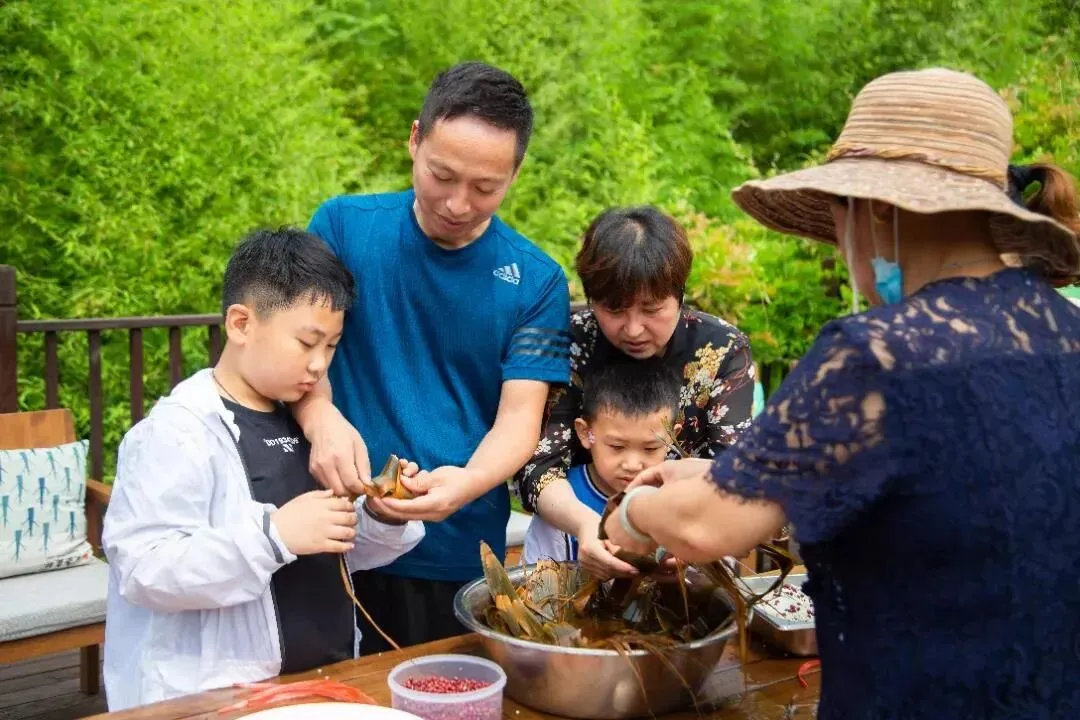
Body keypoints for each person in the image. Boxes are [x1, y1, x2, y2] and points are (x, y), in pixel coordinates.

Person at [601, 68, 1080, 718]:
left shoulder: (876, 350)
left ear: (876, 211)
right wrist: (729, 470)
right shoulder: (1062, 327)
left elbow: (703, 524)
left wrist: (630, 517)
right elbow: (945, 489)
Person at [296, 61, 571, 652]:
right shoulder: (343, 228)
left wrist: (467, 485)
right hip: (335, 529)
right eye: (442, 175)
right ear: (414, 139)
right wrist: (321, 418)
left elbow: (520, 417)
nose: (457, 202)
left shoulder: (537, 280)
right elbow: (299, 345)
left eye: (485, 187)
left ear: (516, 173)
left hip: (459, 546)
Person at [101, 228, 425, 711]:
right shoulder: (177, 433)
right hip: (218, 696)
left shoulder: (310, 425)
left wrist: (384, 515)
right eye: (306, 342)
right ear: (240, 323)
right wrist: (274, 535)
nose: (319, 366)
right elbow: (144, 570)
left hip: (326, 679)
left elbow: (339, 551)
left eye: (332, 346)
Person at [515, 206, 754, 579]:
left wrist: (687, 534)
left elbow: (733, 469)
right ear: (592, 299)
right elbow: (538, 466)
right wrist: (589, 527)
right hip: (574, 527)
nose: (634, 329)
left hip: (690, 534)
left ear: (679, 295)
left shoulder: (722, 349)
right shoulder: (567, 340)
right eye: (614, 309)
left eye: (652, 309)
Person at [522, 359, 682, 564]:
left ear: (672, 438)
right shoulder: (561, 501)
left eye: (650, 448)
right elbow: (535, 583)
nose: (633, 465)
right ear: (585, 433)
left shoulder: (679, 498)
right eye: (617, 446)